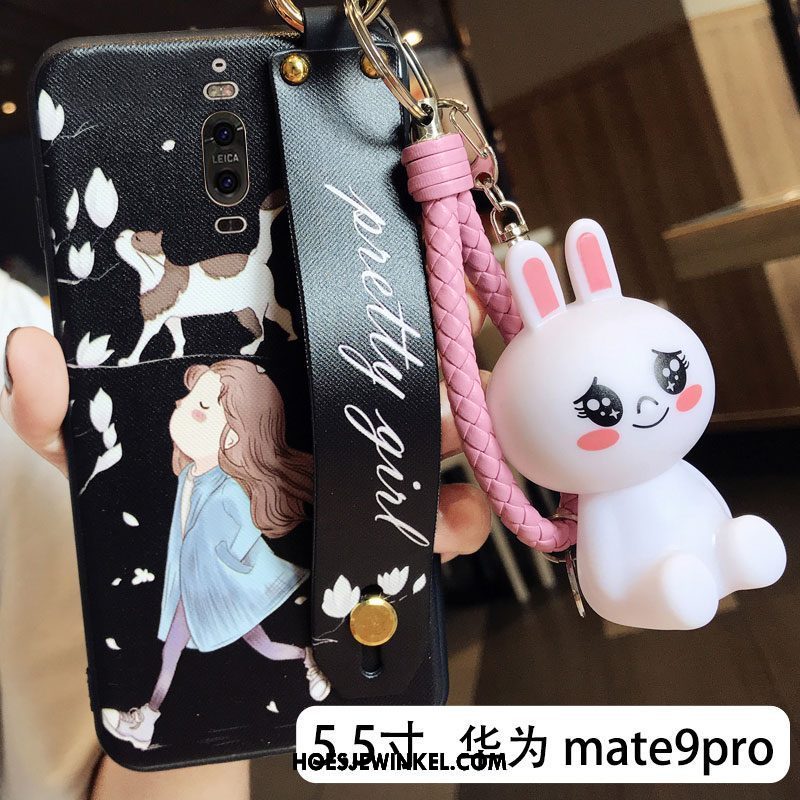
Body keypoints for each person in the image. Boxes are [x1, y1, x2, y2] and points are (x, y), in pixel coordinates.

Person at [0, 271, 492, 800]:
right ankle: (297, 664)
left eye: (200, 407)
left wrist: (233, 562)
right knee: (243, 644)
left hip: (219, 587)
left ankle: (158, 711)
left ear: (233, 433)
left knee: (201, 646)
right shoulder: (191, 476)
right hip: (202, 587)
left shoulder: (223, 489)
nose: (179, 408)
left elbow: (237, 534)